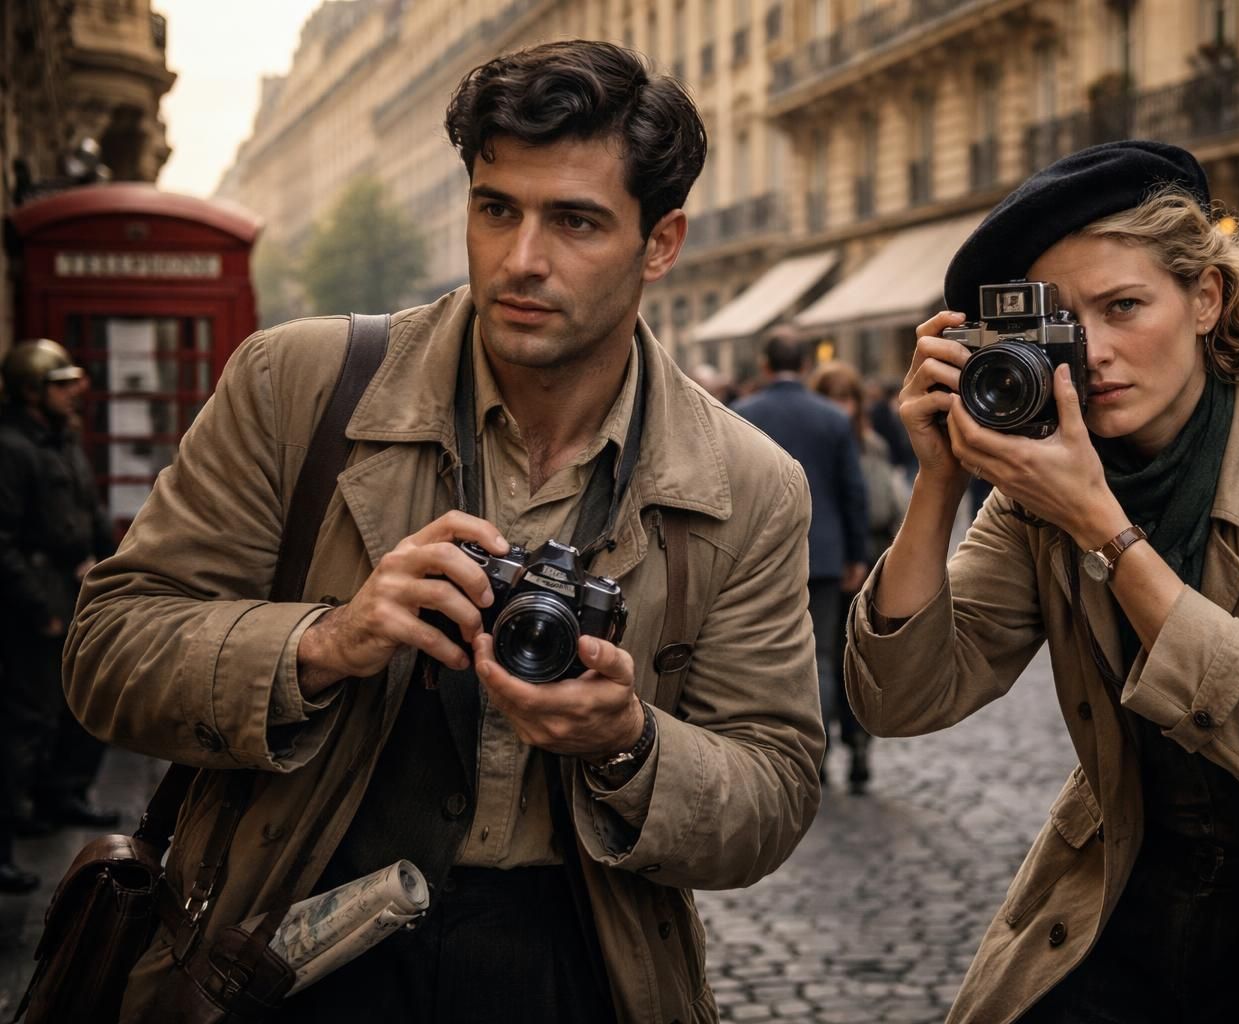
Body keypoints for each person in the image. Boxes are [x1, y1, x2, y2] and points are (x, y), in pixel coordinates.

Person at [63, 40, 822, 1023]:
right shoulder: (296, 385)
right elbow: (106, 650)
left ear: (661, 242)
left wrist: (629, 744)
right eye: (496, 208)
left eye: (576, 221)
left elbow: (773, 791)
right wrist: (324, 643)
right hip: (279, 944)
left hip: (574, 967)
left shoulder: (749, 484)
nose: (522, 260)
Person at [843, 141, 1239, 1022]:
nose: (1097, 353)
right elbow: (900, 700)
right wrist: (938, 479)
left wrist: (1101, 527)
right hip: (1122, 886)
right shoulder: (1042, 485)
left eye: (1124, 306)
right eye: (1066, 324)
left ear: (1205, 298)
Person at [0, 339, 119, 893]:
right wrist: (39, 607)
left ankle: (59, 794)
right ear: (31, 391)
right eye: (62, 383)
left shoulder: (63, 438)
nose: (77, 390)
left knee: (82, 702)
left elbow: (90, 511)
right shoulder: (11, 448)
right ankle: (8, 832)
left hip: (77, 586)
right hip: (36, 598)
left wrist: (119, 571)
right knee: (26, 720)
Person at [734, 333, 868, 787]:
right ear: (807, 366)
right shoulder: (833, 418)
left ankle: (776, 754)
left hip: (760, 557)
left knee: (760, 659)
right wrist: (856, 555)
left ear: (764, 365)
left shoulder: (743, 413)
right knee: (822, 658)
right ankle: (819, 757)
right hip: (825, 555)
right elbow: (853, 492)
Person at [809, 359, 903, 793]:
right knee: (823, 659)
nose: (840, 407)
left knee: (860, 660)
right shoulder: (834, 442)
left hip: (867, 561)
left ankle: (859, 747)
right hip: (833, 566)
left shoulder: (872, 445)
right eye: (833, 398)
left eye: (846, 398)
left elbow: (885, 505)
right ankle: (822, 750)